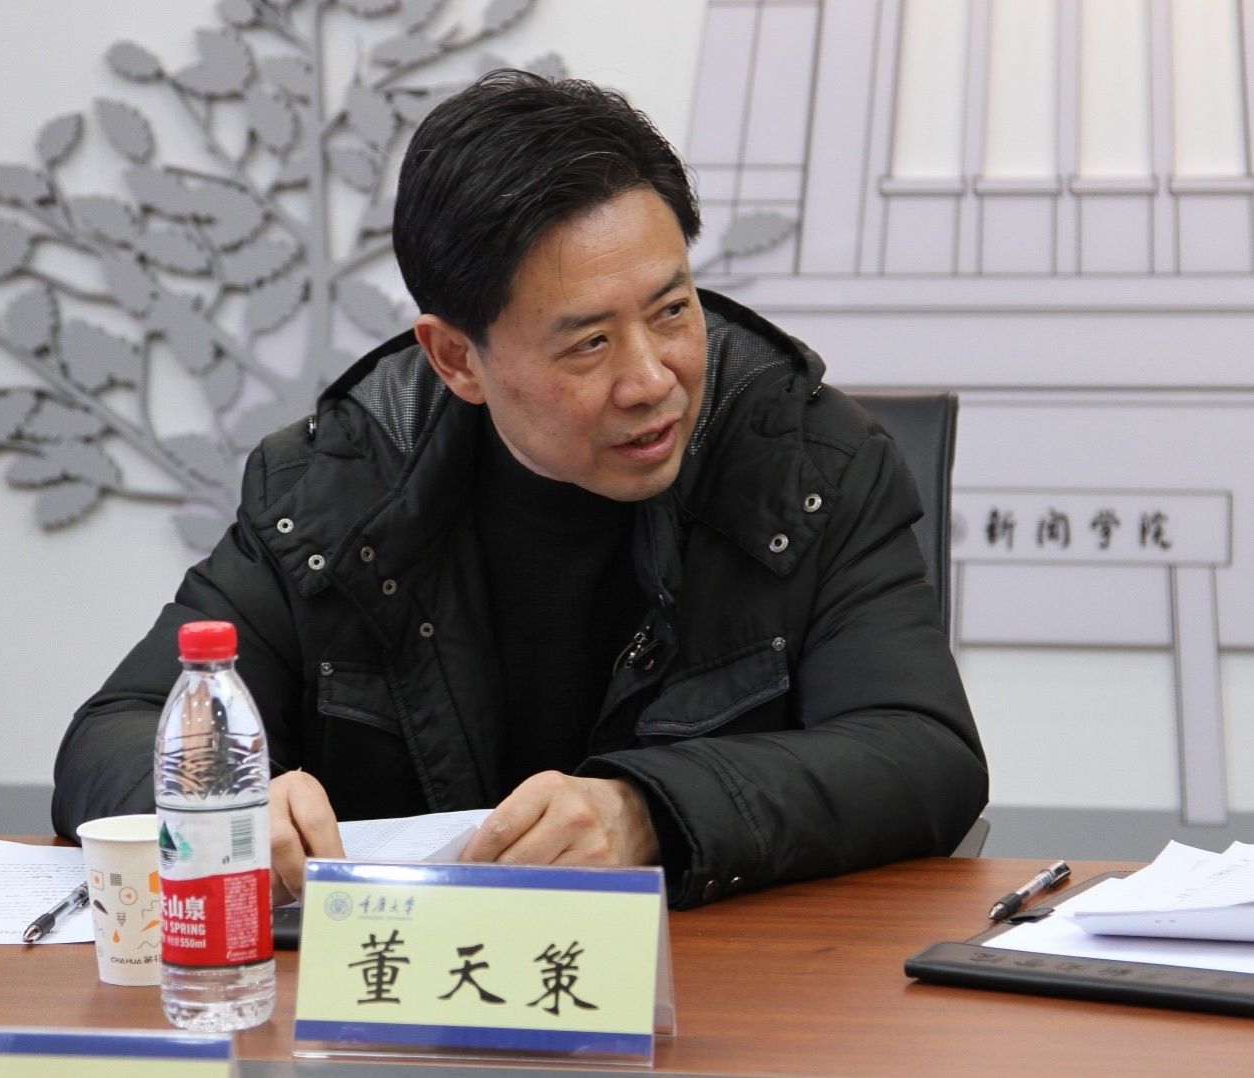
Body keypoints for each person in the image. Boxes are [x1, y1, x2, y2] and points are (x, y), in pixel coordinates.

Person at [52, 70, 987, 909]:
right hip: (394, 1005)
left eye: (673, 310)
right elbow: (115, 734)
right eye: (589, 342)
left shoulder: (807, 463)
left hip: (724, 994)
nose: (651, 379)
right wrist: (226, 803)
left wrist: (649, 811)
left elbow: (922, 751)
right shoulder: (334, 489)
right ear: (458, 358)